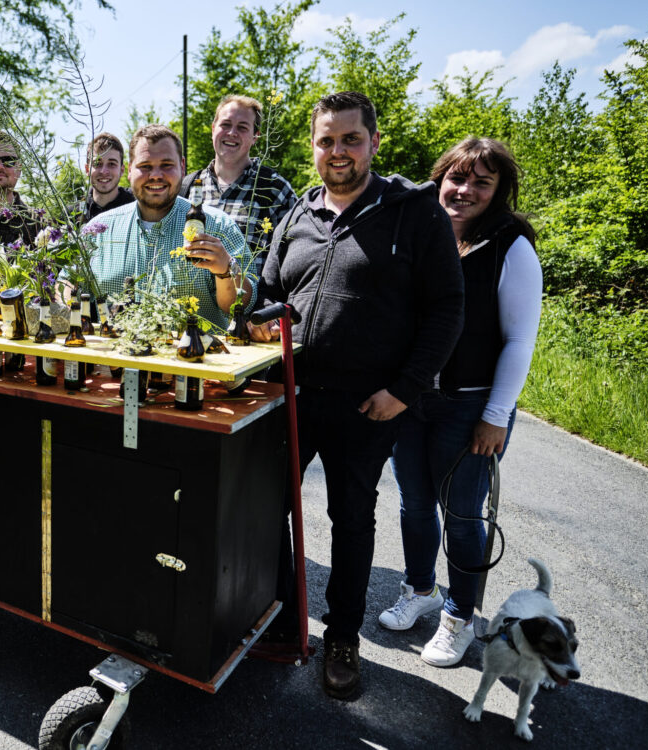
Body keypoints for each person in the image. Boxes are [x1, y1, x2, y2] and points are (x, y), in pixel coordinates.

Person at [249, 92, 465, 698]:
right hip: (289, 396)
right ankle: (280, 616)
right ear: (313, 146)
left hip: (365, 405)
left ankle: (343, 636)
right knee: (264, 508)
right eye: (326, 140)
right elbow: (270, 291)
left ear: (372, 141)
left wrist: (404, 389)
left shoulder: (412, 213)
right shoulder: (297, 214)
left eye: (349, 139)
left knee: (350, 519)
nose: (337, 151)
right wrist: (260, 319)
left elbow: (448, 309)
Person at [377, 137, 543, 667]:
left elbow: (520, 339)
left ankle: (459, 616)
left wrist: (496, 416)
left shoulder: (510, 246)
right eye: (457, 178)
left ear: (498, 191)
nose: (465, 190)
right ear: (439, 179)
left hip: (471, 408)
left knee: (465, 516)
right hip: (412, 400)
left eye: (481, 182)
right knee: (414, 504)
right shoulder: (419, 233)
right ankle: (419, 590)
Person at [90, 124, 254, 329]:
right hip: (113, 359)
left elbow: (244, 306)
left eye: (167, 165)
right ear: (130, 169)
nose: (156, 175)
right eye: (146, 166)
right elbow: (67, 287)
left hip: (195, 357)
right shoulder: (98, 229)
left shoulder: (217, 225)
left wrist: (225, 269)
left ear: (182, 167)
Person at [181, 95, 296, 283]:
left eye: (242, 127)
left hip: (248, 309)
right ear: (213, 129)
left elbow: (292, 261)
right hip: (190, 309)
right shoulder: (188, 187)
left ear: (255, 137)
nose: (232, 133)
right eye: (225, 124)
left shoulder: (275, 189)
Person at [69, 132, 134, 224]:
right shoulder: (71, 215)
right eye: (97, 164)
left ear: (122, 170)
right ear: (87, 169)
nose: (104, 171)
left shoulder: (137, 205)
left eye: (112, 164)